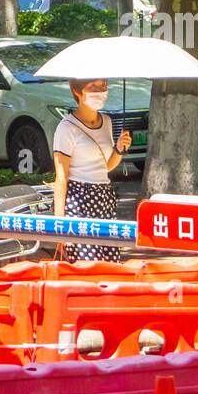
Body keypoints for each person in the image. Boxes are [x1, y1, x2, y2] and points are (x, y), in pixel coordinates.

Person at [51, 77, 132, 263]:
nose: (100, 91)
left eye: (103, 85)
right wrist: (59, 224)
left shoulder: (107, 121)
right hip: (79, 199)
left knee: (110, 261)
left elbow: (106, 167)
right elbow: (61, 176)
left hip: (104, 197)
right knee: (86, 263)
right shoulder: (66, 128)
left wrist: (119, 149)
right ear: (77, 91)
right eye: (93, 86)